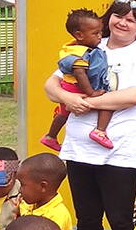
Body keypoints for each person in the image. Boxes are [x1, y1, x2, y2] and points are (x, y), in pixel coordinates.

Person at [44, 0, 136, 230]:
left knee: (121, 221)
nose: (123, 23)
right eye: (119, 16)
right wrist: (66, 98)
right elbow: (50, 85)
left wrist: (86, 103)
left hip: (121, 148)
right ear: (109, 17)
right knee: (86, 219)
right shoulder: (86, 45)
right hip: (79, 146)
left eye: (131, 20)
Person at [40, 8, 113, 151]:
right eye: (95, 33)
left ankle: (50, 136)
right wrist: (91, 93)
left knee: (63, 113)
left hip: (68, 86)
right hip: (75, 87)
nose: (100, 36)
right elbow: (80, 74)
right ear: (79, 35)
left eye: (101, 32)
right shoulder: (80, 52)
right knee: (107, 103)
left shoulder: (75, 47)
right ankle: (99, 131)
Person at [17, 152, 74, 230]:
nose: (19, 190)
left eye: (22, 185)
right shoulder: (29, 206)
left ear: (43, 186)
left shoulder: (56, 216)